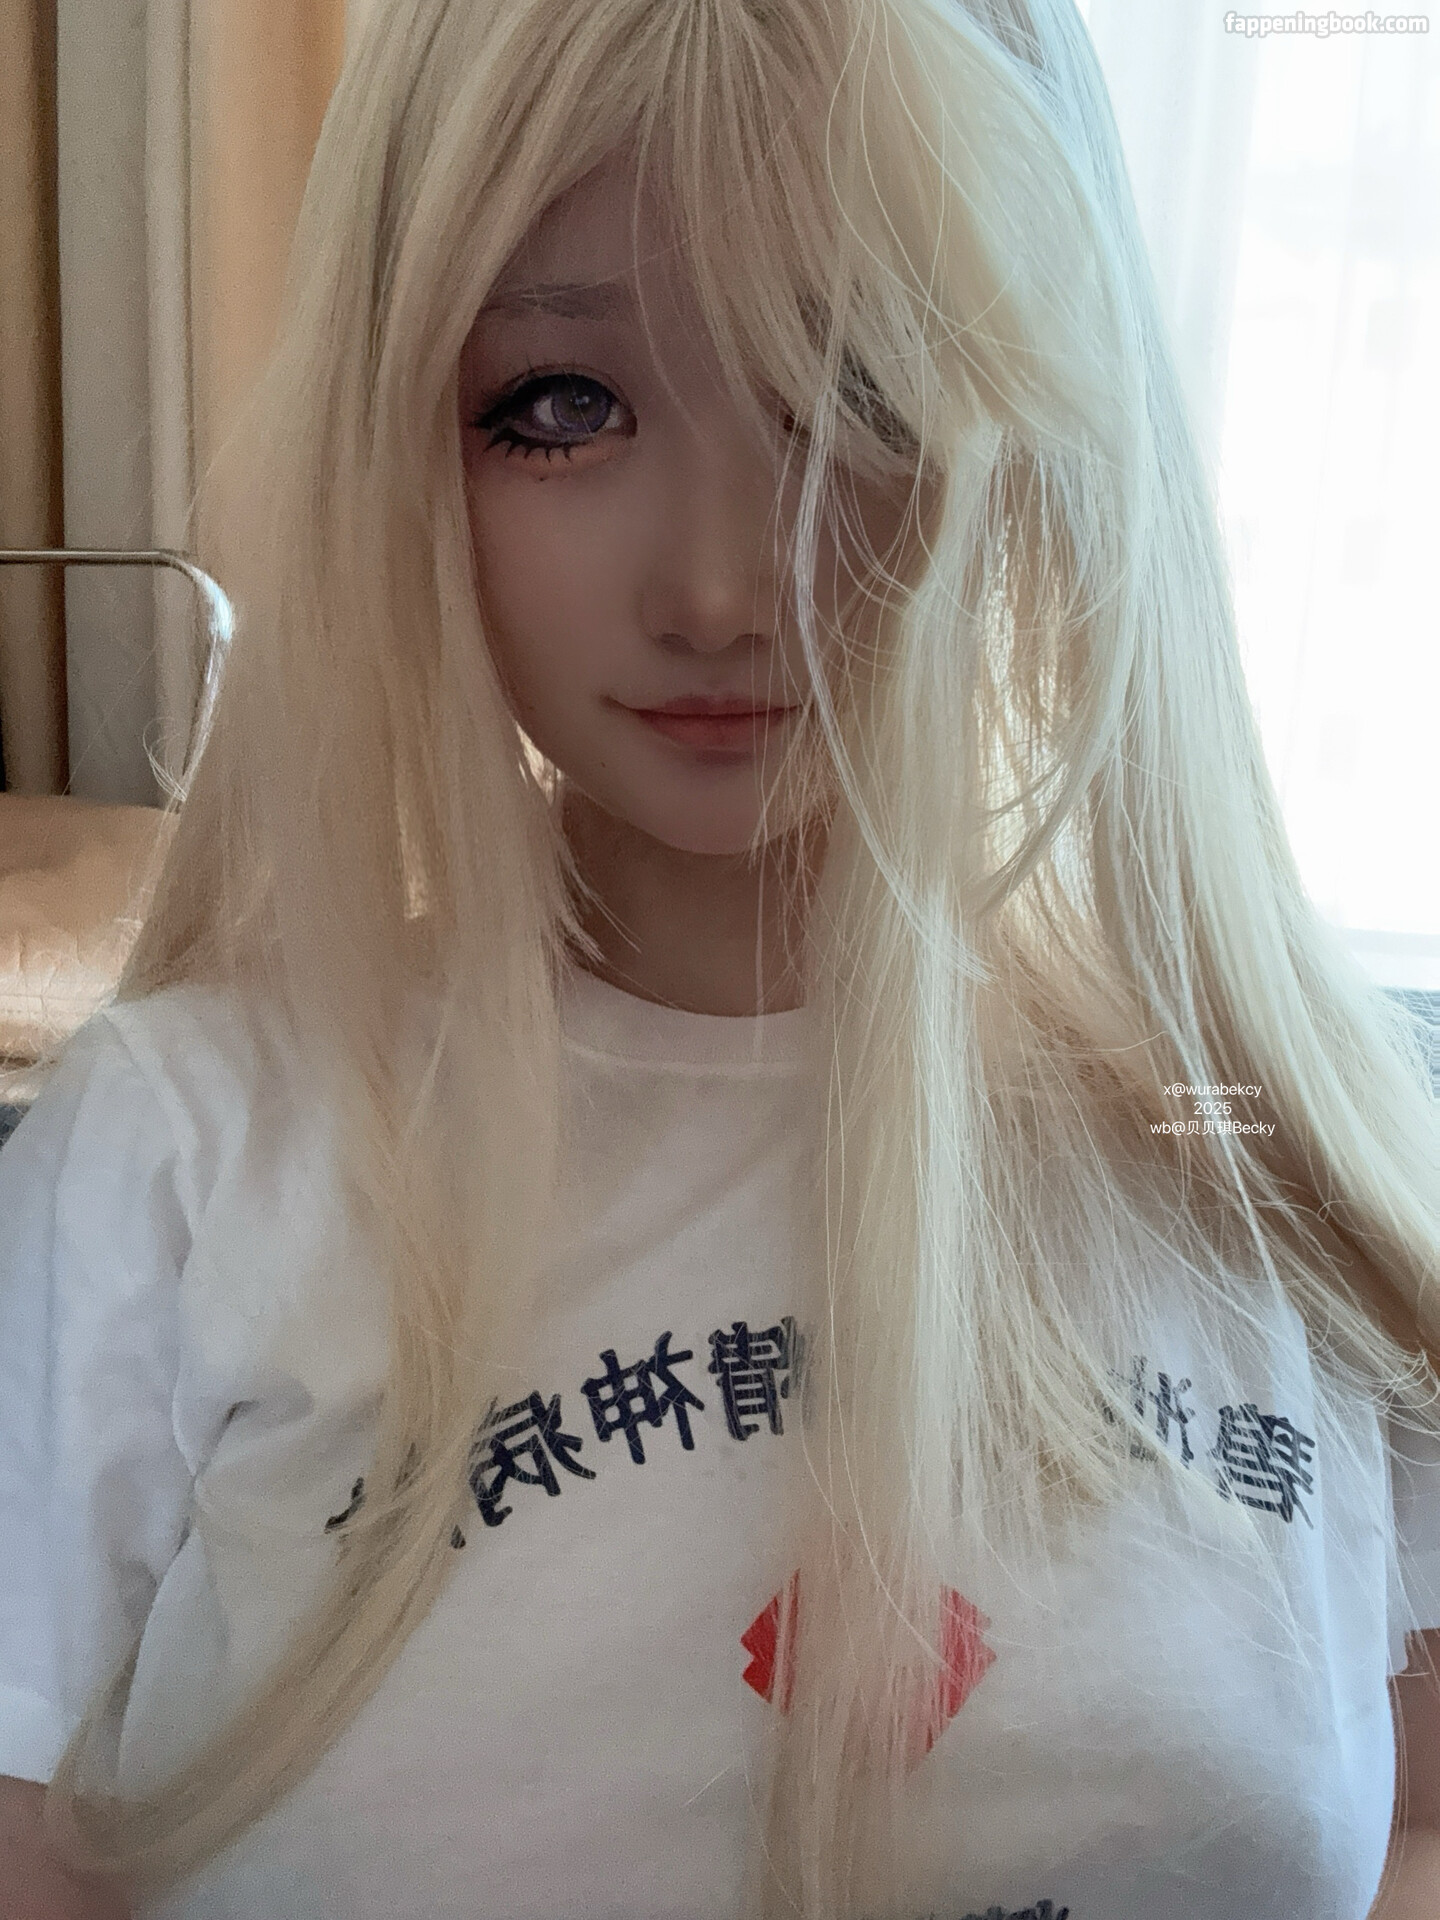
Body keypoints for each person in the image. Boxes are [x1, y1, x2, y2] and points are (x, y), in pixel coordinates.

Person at [1, 0, 1438, 1915]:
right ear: (405, 436)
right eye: (559, 406)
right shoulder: (179, 1160)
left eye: (867, 389)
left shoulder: (1283, 1176)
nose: (718, 585)